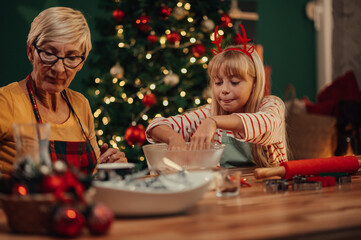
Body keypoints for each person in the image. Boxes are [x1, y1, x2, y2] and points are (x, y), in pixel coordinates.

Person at [0, 7, 127, 177]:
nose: (59, 69)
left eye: (72, 57)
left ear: (82, 62)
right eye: (49, 53)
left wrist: (110, 166)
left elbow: (92, 177)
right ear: (31, 51)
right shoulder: (5, 102)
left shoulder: (80, 104)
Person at [145, 25, 288, 168]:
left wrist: (213, 122)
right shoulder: (209, 113)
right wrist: (173, 138)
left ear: (254, 84)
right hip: (228, 187)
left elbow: (266, 123)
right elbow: (156, 125)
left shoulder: (271, 105)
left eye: (234, 82)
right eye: (218, 82)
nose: (224, 90)